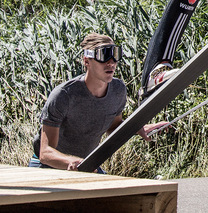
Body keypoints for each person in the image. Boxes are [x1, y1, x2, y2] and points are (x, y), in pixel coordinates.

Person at [30, 33, 169, 172]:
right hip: (47, 166)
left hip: (84, 164)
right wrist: (70, 161)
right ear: (87, 61)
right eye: (103, 56)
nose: (111, 63)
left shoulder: (118, 90)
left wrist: (137, 129)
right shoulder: (64, 95)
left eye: (115, 55)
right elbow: (45, 153)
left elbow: (113, 127)